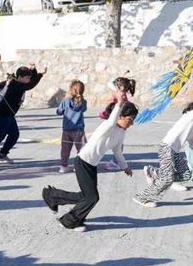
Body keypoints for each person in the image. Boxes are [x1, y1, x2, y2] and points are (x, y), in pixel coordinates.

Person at [42, 102, 138, 231]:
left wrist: (125, 167)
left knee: (87, 196)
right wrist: (120, 102)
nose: (131, 123)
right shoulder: (107, 126)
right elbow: (111, 121)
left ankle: (52, 196)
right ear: (120, 116)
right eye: (130, 120)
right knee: (92, 197)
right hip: (83, 162)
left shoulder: (121, 132)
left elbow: (117, 151)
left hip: (91, 164)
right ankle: (68, 221)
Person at [132, 103, 193, 207]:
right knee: (167, 179)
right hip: (167, 147)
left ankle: (155, 173)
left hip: (175, 150)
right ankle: (141, 198)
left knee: (186, 175)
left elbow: (190, 140)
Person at [0, 64, 45, 164]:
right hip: (2, 114)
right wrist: (40, 74)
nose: (28, 79)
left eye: (29, 78)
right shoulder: (16, 84)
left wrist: (33, 70)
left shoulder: (16, 82)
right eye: (27, 78)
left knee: (14, 134)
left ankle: (2, 154)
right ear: (20, 77)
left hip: (10, 115)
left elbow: (30, 81)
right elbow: (31, 84)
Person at [56, 80, 88, 173]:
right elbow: (84, 110)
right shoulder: (83, 102)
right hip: (79, 129)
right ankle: (81, 166)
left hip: (66, 129)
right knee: (82, 149)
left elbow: (58, 112)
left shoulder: (65, 101)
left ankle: (63, 166)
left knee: (65, 149)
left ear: (71, 89)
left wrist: (65, 100)